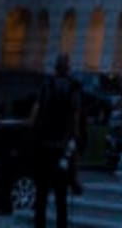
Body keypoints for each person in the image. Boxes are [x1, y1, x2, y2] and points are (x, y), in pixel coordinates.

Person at [29, 53, 84, 228]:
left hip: (44, 145)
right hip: (61, 145)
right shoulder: (73, 88)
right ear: (67, 68)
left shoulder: (46, 85)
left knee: (42, 195)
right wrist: (75, 139)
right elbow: (75, 117)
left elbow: (35, 114)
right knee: (61, 196)